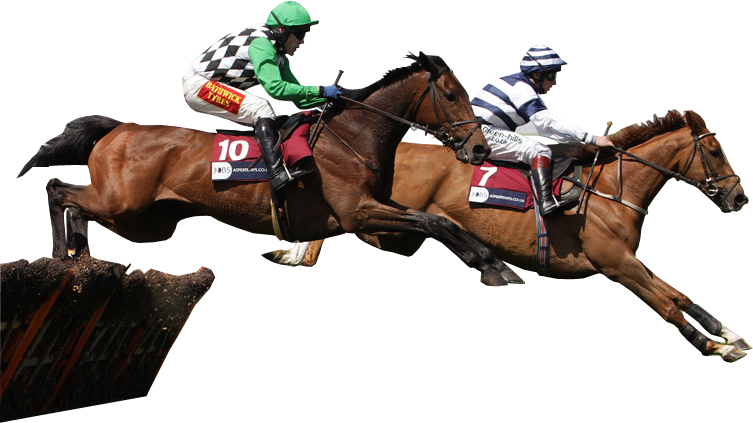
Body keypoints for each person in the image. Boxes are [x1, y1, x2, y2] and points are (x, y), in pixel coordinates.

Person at [182, 1, 341, 199]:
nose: (302, 42)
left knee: (271, 114)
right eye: (300, 34)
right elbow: (275, 88)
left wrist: (335, 97)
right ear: (282, 30)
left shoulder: (280, 56)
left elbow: (299, 99)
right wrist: (320, 90)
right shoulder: (262, 44)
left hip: (209, 85)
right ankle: (277, 175)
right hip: (199, 86)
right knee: (262, 110)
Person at [471, 46, 614, 217]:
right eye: (552, 75)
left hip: (481, 130)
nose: (554, 83)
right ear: (537, 74)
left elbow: (547, 128)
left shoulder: (516, 83)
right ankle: (546, 202)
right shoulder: (522, 88)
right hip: (482, 132)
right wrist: (591, 139)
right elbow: (546, 124)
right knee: (540, 150)